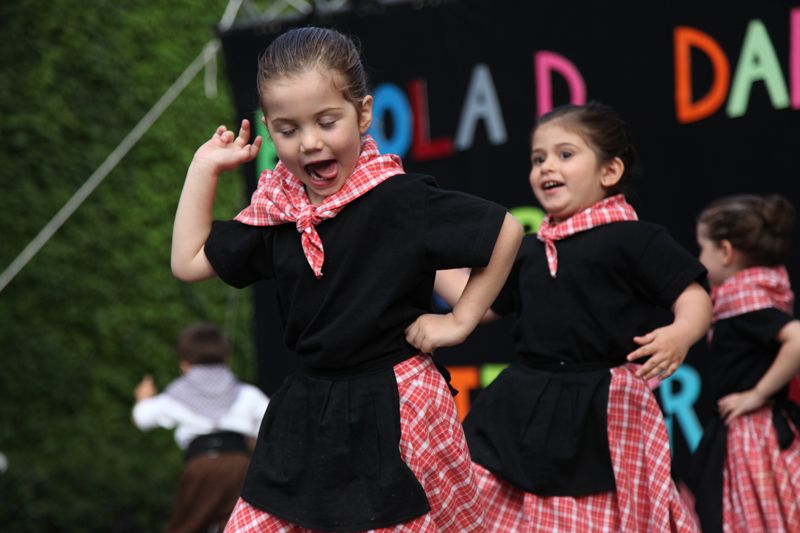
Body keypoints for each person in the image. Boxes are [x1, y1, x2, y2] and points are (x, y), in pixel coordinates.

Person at [170, 26, 523, 532]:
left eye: (327, 121)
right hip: (310, 410)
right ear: (269, 131)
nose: (310, 142)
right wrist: (203, 169)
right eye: (288, 130)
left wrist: (459, 321)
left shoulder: (398, 198)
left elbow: (505, 231)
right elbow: (189, 262)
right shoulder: (278, 213)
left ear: (362, 114)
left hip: (396, 408)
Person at [435, 102, 711, 531]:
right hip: (524, 403)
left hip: (600, 405)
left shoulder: (634, 239)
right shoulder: (528, 249)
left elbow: (692, 296)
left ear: (609, 171)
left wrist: (681, 333)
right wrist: (419, 261)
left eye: (565, 154)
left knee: (593, 512)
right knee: (489, 501)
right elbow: (480, 304)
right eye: (538, 158)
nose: (547, 167)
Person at [683, 194, 800, 533]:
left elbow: (797, 339)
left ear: (725, 251)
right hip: (743, 430)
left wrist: (757, 394)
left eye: (702, 248)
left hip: (754, 434)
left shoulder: (746, 302)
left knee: (753, 518)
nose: (699, 258)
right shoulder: (757, 295)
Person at [132, 322, 269, 533]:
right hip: (240, 467)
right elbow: (270, 424)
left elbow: (142, 418)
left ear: (184, 364)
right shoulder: (246, 393)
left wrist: (143, 398)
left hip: (200, 466)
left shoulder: (177, 395)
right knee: (237, 528)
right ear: (226, 357)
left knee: (187, 526)